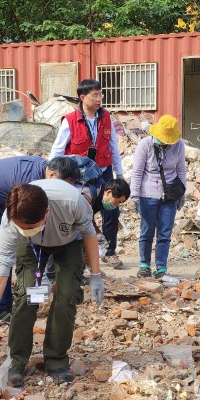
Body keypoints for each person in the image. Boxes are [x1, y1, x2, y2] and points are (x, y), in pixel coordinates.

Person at [0, 181, 106, 388]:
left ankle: (56, 359)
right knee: (27, 297)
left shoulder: (72, 202)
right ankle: (17, 360)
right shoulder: (10, 223)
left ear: (46, 212)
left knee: (66, 295)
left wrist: (95, 275)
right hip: (31, 249)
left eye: (30, 227)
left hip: (68, 242)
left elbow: (89, 234)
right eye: (21, 227)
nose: (25, 230)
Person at [0, 156, 82, 321]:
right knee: (2, 251)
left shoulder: (43, 177)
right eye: (62, 184)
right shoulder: (31, 186)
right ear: (52, 175)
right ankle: (1, 308)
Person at [49, 79, 126, 267]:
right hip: (79, 175)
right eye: (95, 95)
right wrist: (53, 179)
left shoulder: (106, 117)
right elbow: (57, 151)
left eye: (101, 94)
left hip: (103, 170)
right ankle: (81, 255)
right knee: (82, 212)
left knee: (112, 210)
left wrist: (120, 174)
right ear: (83, 97)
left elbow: (113, 147)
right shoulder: (70, 121)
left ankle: (109, 251)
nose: (100, 99)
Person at [129, 114, 186, 278]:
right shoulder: (145, 145)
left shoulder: (178, 145)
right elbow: (137, 172)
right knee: (146, 230)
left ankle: (161, 268)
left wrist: (182, 193)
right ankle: (144, 265)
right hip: (148, 194)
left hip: (170, 194)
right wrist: (134, 196)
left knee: (165, 233)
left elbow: (180, 169)